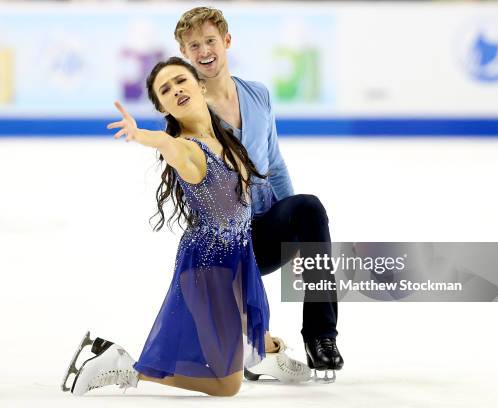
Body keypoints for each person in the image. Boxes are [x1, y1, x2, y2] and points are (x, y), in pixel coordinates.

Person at [62, 57, 273, 397]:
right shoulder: (188, 148)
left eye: (180, 81)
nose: (176, 90)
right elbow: (167, 145)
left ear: (200, 86)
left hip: (237, 256)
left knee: (245, 347)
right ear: (164, 107)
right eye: (166, 90)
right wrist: (141, 135)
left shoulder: (228, 141)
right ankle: (122, 366)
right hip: (208, 267)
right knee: (227, 386)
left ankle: (268, 349)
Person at [174, 7, 343, 381]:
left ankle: (321, 338)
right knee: (231, 353)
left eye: (210, 41)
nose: (204, 50)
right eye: (194, 45)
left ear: (227, 41)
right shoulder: (186, 112)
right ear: (185, 53)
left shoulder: (258, 95)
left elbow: (276, 165)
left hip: (264, 230)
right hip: (224, 245)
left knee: (309, 209)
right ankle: (249, 338)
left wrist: (298, 232)